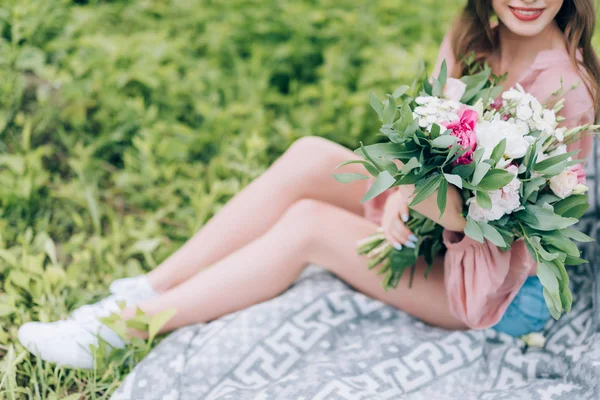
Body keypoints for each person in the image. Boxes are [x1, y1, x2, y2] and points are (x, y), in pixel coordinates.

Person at [18, 0, 600, 369]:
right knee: (309, 156)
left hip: (495, 286)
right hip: (438, 224)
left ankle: (123, 332)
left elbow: (492, 222)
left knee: (309, 226)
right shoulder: (475, 38)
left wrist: (413, 192)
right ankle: (143, 288)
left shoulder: (563, 91)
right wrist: (403, 189)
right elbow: (425, 142)